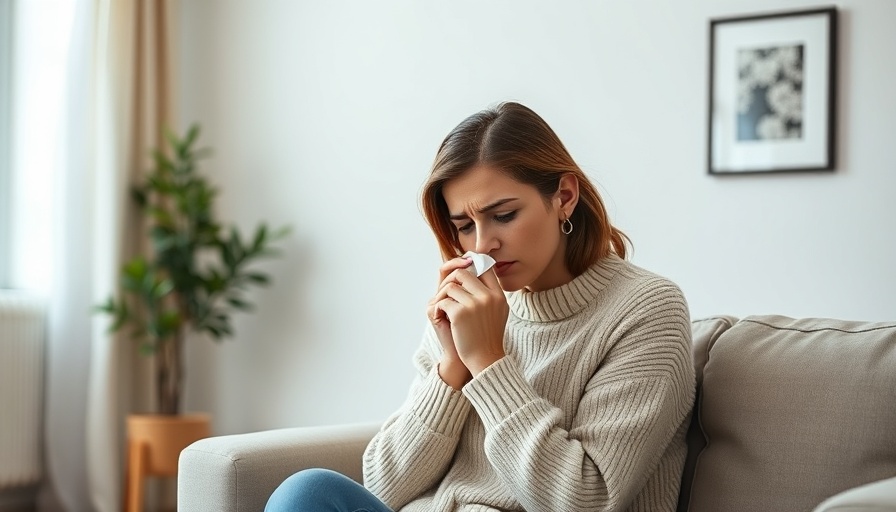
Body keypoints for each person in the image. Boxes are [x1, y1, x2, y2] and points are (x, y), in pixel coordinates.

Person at [265, 101, 695, 512]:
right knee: (307, 493)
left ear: (564, 196)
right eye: (465, 226)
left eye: (504, 215)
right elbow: (383, 485)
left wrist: (488, 363)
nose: (482, 244)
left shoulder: (646, 309)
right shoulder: (468, 304)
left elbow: (586, 499)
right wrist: (452, 368)